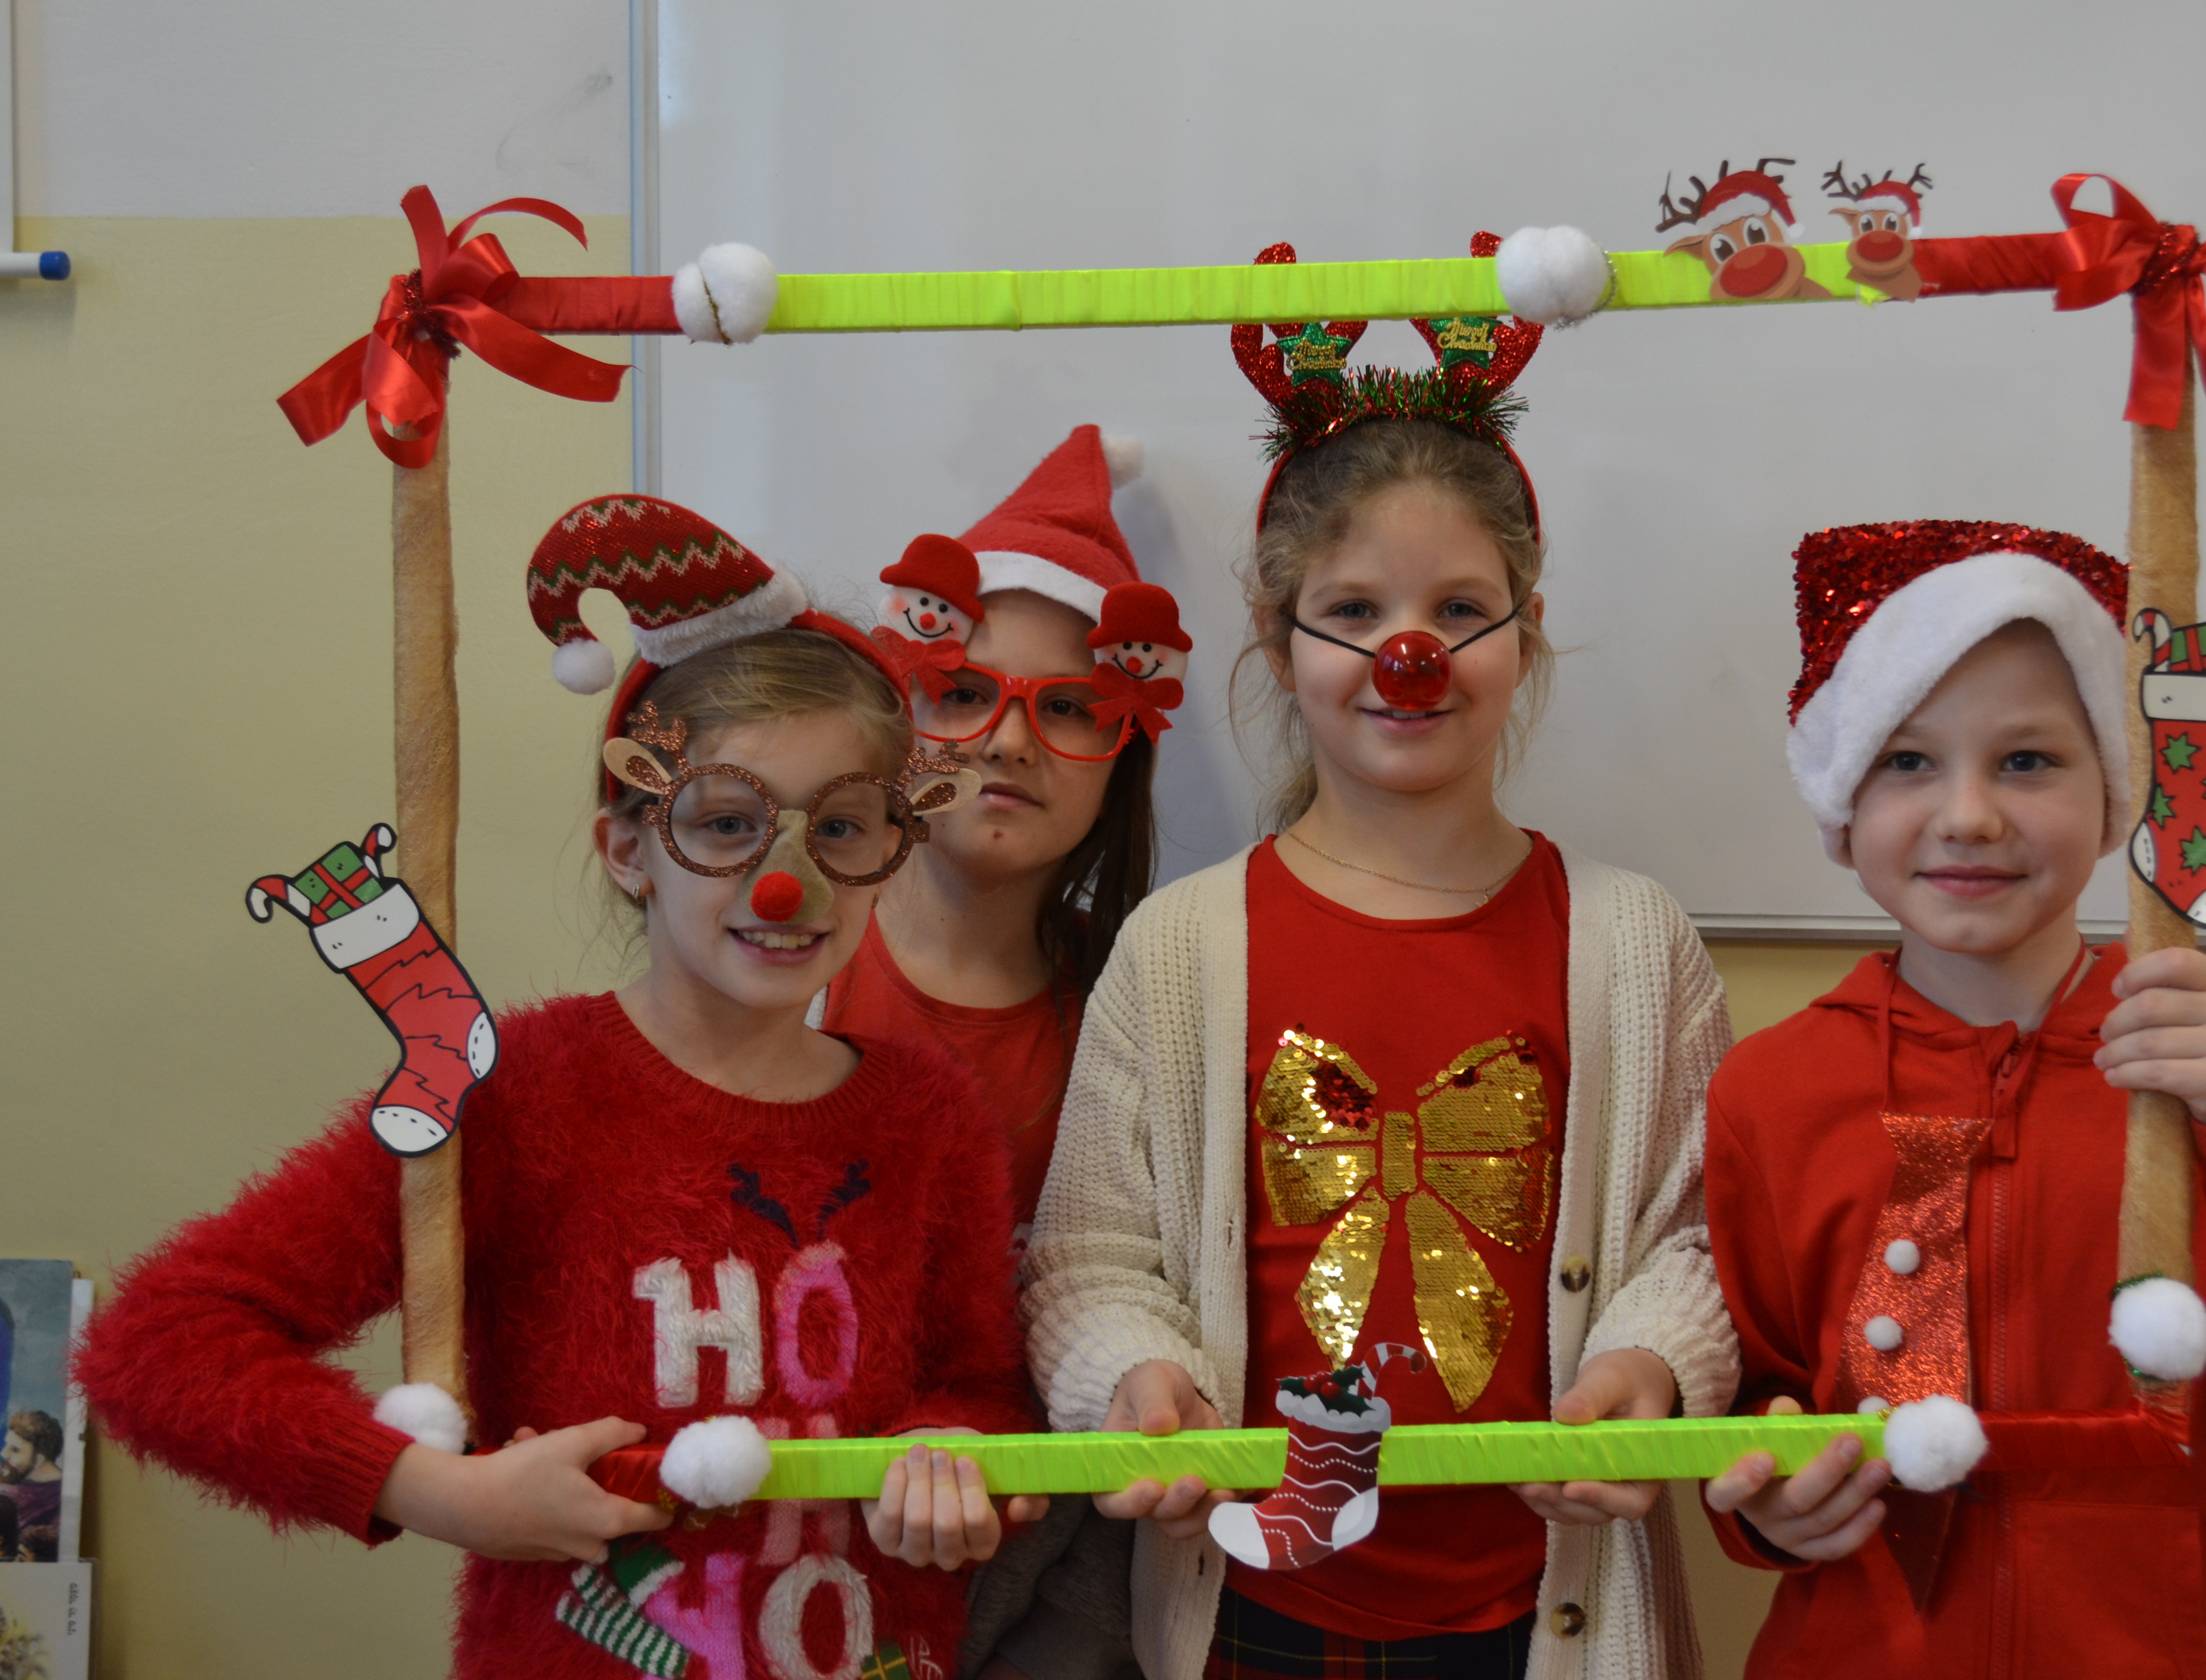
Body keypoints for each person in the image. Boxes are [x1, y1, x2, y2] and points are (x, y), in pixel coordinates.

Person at [77, 496, 1041, 1678]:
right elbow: (158, 1344)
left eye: (841, 828)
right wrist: (440, 1492)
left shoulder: (929, 1116)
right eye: (726, 823)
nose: (787, 882)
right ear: (629, 851)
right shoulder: (508, 1093)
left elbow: (978, 1387)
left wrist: (951, 1460)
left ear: (893, 846)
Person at [1023, 258, 1741, 1680]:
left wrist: (1647, 1370)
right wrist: (1135, 1378)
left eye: (1458, 607)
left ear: (1526, 634)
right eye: (1353, 610)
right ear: (1278, 639)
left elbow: (1699, 1236)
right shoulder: (1180, 946)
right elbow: (1094, 1257)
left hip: (1538, 1619)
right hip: (1250, 1618)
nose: (1408, 652)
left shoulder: (1633, 939)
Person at [1699, 521, 2206, 1678]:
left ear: (2113, 797)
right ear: (1841, 799)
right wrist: (1762, 1508)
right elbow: (1751, 1400)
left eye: (2027, 761)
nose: (1968, 815)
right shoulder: (1771, 1089)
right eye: (1906, 761)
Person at [822, 427, 1179, 1680]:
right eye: (966, 693)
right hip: (798, 1530)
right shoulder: (787, 968)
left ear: (1123, 751)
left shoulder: (1134, 1014)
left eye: (1069, 708)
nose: (1011, 742)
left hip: (1048, 1567)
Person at [0, 1410, 62, 1562]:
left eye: (15, 1450)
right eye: (7, 1445)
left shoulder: (60, 1498)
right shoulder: (10, 1476)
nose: (4, 1453)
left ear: (39, 1459)